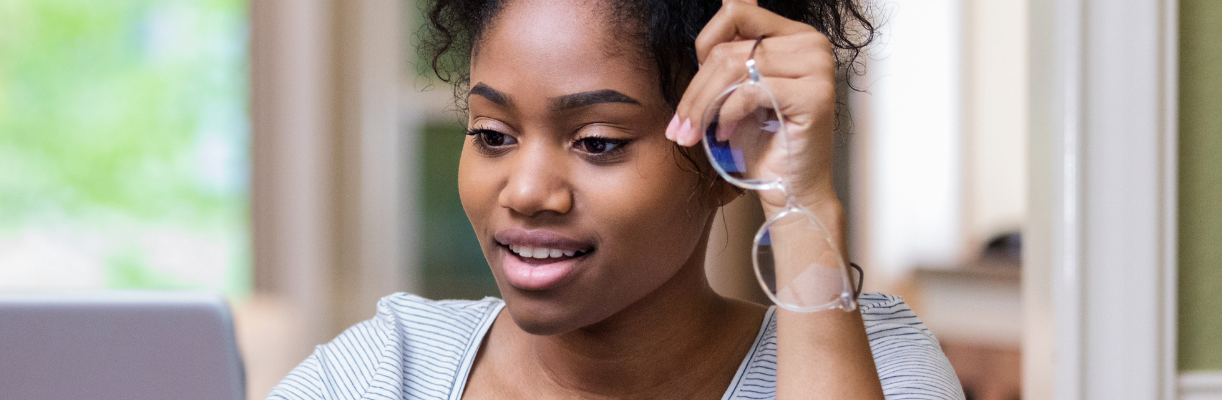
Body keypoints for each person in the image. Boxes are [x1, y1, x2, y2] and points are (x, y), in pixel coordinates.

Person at [266, 0, 964, 399]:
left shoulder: (869, 364)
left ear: (723, 157)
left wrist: (798, 195)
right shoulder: (390, 371)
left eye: (598, 141)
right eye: (492, 134)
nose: (529, 192)